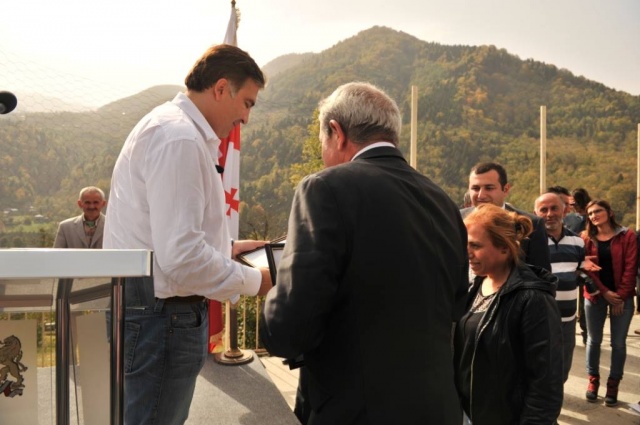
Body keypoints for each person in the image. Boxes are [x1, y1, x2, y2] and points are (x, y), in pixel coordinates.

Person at [260, 82, 468, 425]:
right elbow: (456, 303)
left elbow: (289, 327)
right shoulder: (442, 201)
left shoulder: (324, 188)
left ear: (336, 132)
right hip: (438, 406)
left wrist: (274, 289)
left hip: (356, 409)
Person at [103, 44, 272, 425]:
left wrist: (227, 248)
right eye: (247, 102)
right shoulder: (178, 138)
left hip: (152, 311)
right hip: (161, 318)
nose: (246, 117)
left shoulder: (173, 129)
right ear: (221, 88)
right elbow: (180, 256)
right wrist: (255, 281)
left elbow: (167, 235)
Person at [454, 203, 563, 425]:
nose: (467, 253)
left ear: (504, 248)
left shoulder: (533, 299)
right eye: (465, 245)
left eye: (475, 245)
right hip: (469, 414)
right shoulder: (476, 285)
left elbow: (546, 384)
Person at [534, 192, 598, 383]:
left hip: (568, 318)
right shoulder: (529, 243)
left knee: (563, 366)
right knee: (539, 366)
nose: (549, 214)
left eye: (554, 208)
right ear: (535, 213)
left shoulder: (577, 242)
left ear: (564, 210)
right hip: (539, 318)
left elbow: (577, 270)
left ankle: (555, 400)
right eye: (543, 209)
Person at [581, 199, 637, 406]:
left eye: (598, 211)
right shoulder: (586, 237)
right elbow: (586, 268)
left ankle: (613, 385)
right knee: (593, 340)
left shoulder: (626, 235)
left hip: (622, 298)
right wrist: (605, 293)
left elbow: (631, 267)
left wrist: (620, 296)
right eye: (590, 213)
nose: (594, 215)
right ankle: (593, 381)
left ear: (609, 212)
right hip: (596, 295)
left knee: (618, 343)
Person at [461, 162, 551, 272]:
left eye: (489, 188)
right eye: (475, 188)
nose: (481, 195)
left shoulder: (531, 224)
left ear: (506, 189)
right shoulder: (456, 219)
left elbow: (542, 276)